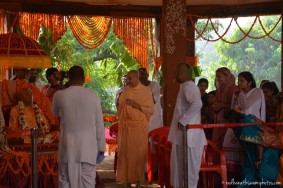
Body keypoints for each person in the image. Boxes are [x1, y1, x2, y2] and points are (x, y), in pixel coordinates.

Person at [52, 65, 106, 188]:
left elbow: (54, 112)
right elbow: (99, 124)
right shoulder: (93, 95)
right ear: (83, 79)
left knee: (65, 182)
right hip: (88, 149)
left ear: (69, 78)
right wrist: (101, 147)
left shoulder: (59, 95)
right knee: (88, 183)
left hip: (67, 148)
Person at [168, 63, 206, 188]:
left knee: (189, 173)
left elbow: (197, 103)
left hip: (190, 137)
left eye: (176, 73)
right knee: (181, 170)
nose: (175, 75)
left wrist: (183, 120)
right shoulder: (184, 86)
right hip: (183, 136)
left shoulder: (189, 86)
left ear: (182, 74)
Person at [116, 70, 154, 187]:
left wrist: (136, 105)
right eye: (127, 79)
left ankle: (139, 180)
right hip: (127, 127)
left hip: (139, 127)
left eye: (130, 79)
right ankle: (125, 180)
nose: (128, 81)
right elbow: (120, 106)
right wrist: (123, 106)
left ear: (137, 78)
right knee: (125, 154)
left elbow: (150, 110)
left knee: (138, 154)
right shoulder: (126, 90)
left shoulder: (146, 91)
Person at [224, 109, 279, 187]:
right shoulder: (238, 126)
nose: (226, 124)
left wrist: (259, 159)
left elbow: (259, 142)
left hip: (268, 147)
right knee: (249, 174)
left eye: (227, 122)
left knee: (265, 176)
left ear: (232, 120)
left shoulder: (246, 123)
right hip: (253, 152)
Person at [212, 67, 238, 149]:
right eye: (216, 77)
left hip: (228, 120)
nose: (217, 79)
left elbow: (235, 106)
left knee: (225, 142)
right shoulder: (220, 88)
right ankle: (218, 161)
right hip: (219, 119)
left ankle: (225, 161)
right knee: (217, 142)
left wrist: (222, 106)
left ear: (226, 76)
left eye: (219, 76)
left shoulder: (233, 88)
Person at [138, 67, 163, 132]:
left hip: (154, 118)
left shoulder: (155, 85)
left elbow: (153, 101)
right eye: (139, 75)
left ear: (147, 75)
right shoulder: (138, 88)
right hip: (143, 119)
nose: (141, 76)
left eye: (143, 74)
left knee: (154, 139)